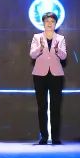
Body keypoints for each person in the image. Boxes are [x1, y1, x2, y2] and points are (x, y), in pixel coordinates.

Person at [30, 12, 67, 145]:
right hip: (39, 75)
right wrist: (40, 47)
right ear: (43, 23)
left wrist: (57, 50)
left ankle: (55, 137)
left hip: (56, 75)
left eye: (52, 21)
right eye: (47, 21)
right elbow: (32, 55)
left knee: (55, 107)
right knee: (42, 107)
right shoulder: (37, 37)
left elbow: (64, 56)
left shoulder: (61, 38)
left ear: (56, 23)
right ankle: (44, 137)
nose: (49, 23)